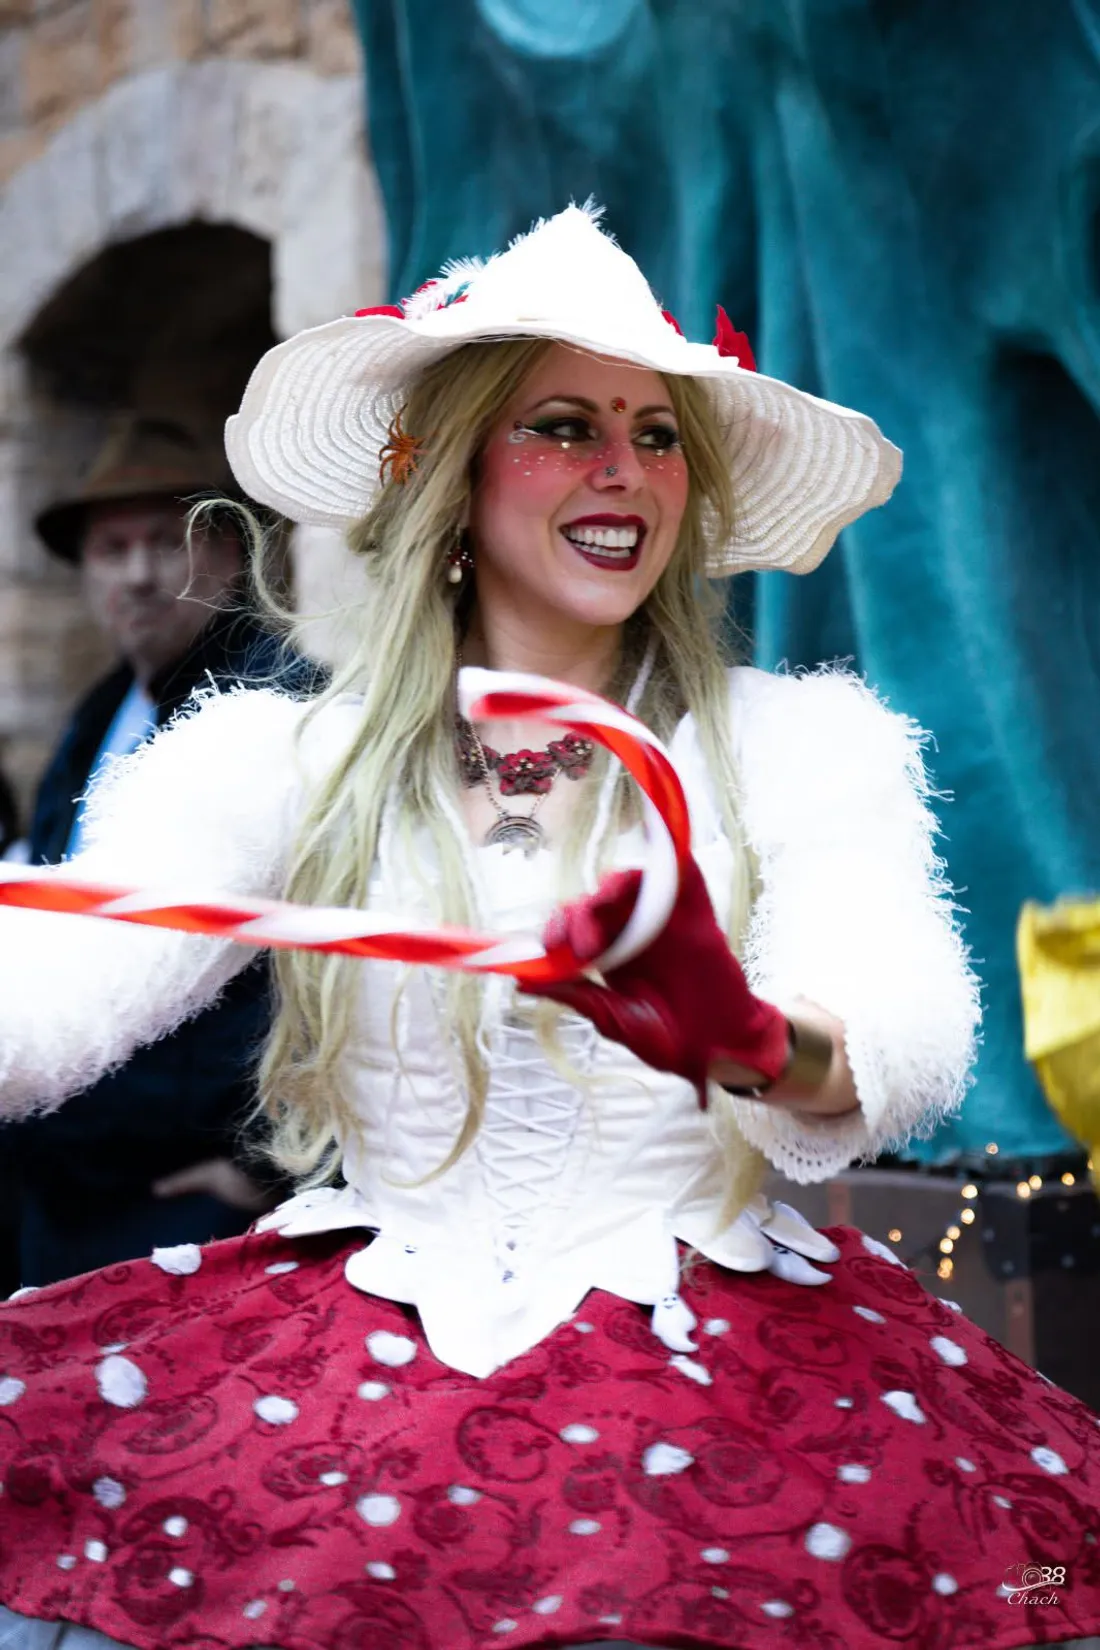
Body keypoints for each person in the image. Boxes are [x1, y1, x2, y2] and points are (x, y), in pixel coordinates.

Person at [0, 206, 1095, 1650]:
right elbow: (62, 989)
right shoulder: (276, 756)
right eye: (564, 425)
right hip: (344, 1368)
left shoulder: (801, 746)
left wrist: (747, 1035)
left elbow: (903, 1022)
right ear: (448, 470)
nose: (620, 472)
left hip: (722, 1386)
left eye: (656, 436)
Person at [1, 416, 305, 1286]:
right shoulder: (96, 714)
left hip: (194, 1196)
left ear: (228, 554)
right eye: (111, 549)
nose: (136, 576)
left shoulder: (276, 703)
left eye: (165, 544)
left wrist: (266, 1163)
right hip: (70, 1186)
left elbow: (318, 962)